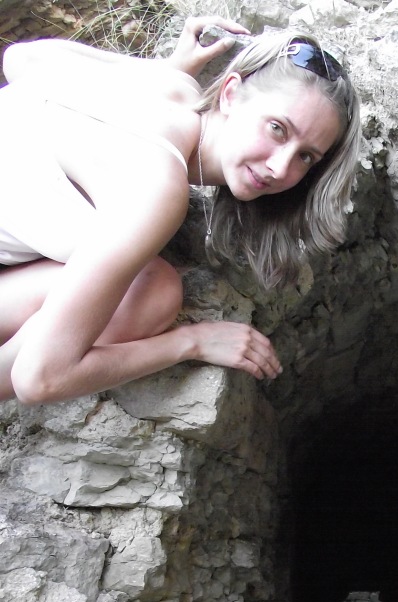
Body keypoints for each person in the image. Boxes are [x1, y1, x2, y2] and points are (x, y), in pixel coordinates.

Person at [0, 16, 360, 404]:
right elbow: (40, 380)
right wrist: (191, 342)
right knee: (153, 293)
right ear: (230, 93)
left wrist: (165, 68)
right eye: (277, 129)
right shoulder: (157, 187)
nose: (280, 167)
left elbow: (20, 59)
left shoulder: (170, 85)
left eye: (306, 157)